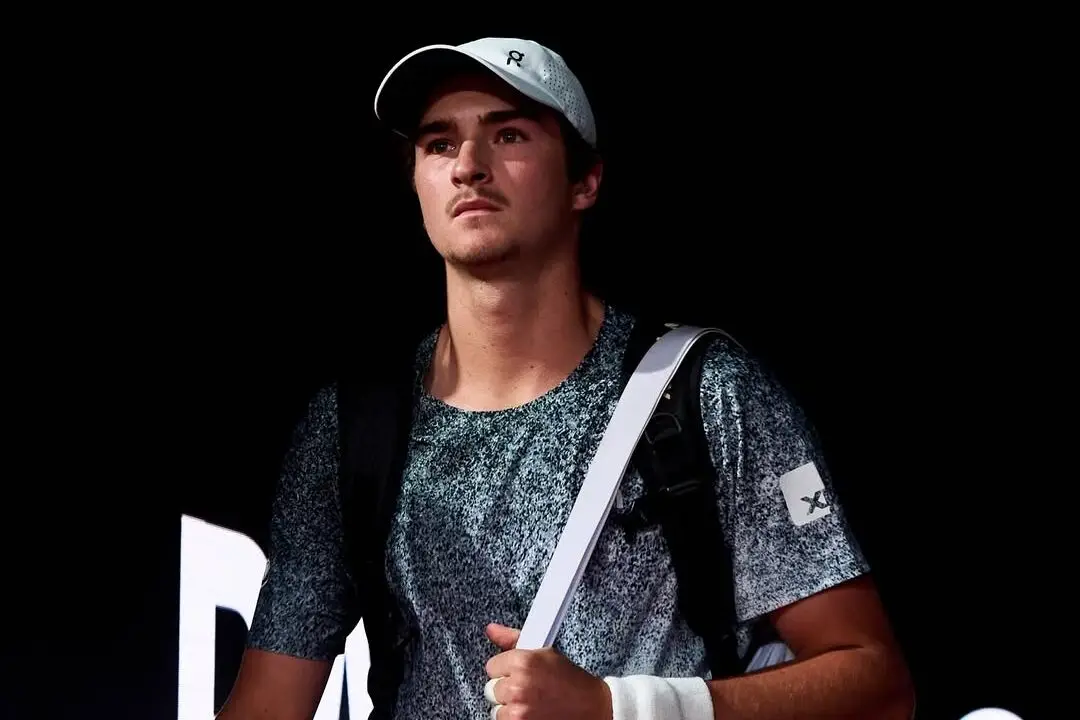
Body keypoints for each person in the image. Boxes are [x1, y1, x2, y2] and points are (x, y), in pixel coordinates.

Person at [217, 37, 915, 720]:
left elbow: (876, 684)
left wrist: (621, 709)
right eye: (439, 144)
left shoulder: (705, 394)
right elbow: (269, 704)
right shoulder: (352, 429)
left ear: (585, 181)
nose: (468, 166)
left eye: (509, 135)